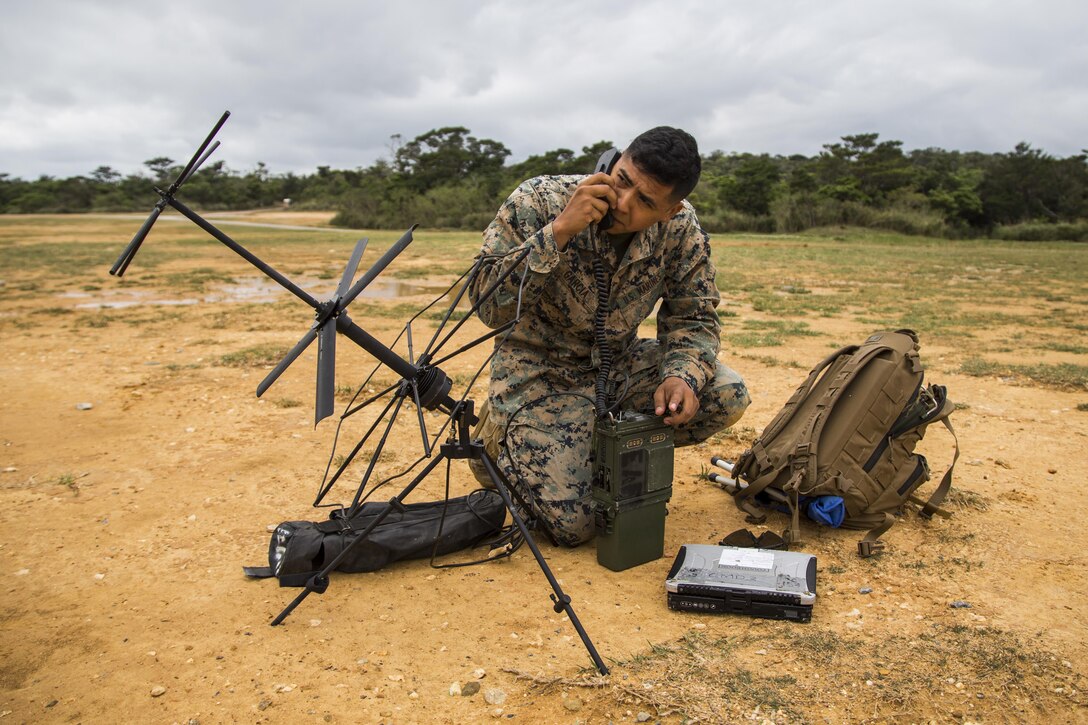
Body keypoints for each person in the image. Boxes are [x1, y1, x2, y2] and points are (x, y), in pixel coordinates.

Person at [468, 126, 750, 546]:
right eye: (622, 180)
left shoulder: (680, 229)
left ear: (670, 211)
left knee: (724, 393)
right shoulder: (542, 200)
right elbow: (486, 305)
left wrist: (682, 376)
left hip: (614, 365)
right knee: (575, 527)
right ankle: (496, 439)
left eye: (646, 202)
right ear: (613, 161)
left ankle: (582, 448)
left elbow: (694, 317)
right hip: (536, 373)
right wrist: (559, 232)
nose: (622, 203)